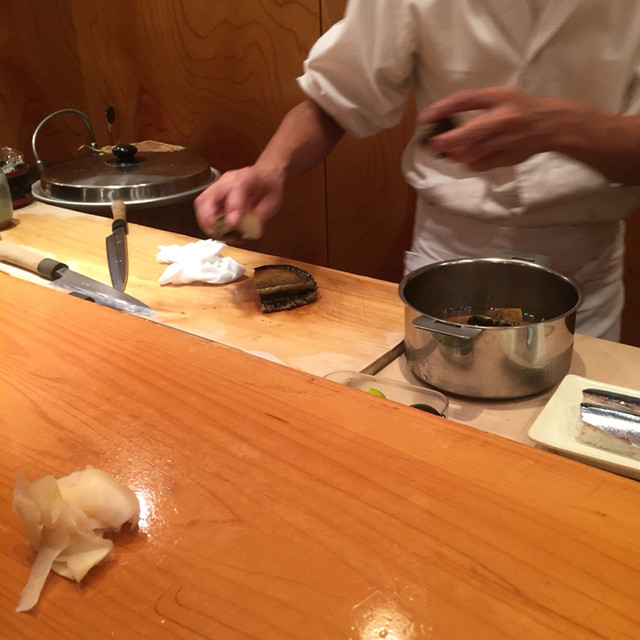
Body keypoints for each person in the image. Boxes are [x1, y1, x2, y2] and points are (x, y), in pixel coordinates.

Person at [195, 0, 640, 341]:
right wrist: (270, 168)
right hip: (445, 268)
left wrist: (561, 127)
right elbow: (336, 98)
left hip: (582, 281)